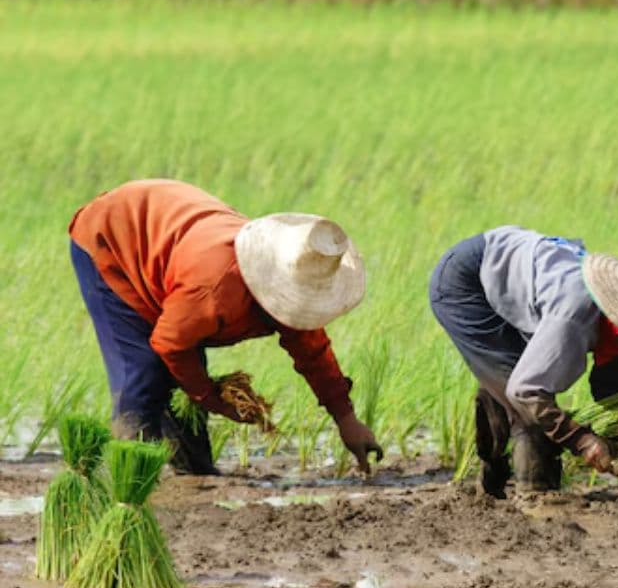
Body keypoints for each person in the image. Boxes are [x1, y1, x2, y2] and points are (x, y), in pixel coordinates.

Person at [69, 179, 383, 475]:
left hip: (172, 253)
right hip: (113, 237)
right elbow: (169, 343)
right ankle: (129, 486)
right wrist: (212, 398)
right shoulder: (216, 288)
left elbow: (313, 351)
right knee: (144, 373)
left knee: (182, 384)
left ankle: (194, 474)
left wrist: (346, 419)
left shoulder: (294, 288)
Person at [429, 226, 618, 497]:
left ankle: (491, 483)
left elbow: (615, 386)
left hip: (512, 272)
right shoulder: (573, 319)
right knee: (525, 403)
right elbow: (527, 391)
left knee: (510, 375)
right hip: (465, 284)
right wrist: (583, 441)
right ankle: (536, 494)